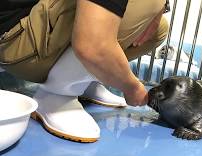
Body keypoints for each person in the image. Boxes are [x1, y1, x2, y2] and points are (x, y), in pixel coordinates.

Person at [0, 0, 169, 142]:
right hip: (12, 41)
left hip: (29, 24)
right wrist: (132, 87)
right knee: (148, 3)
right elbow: (93, 46)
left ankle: (85, 79)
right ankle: (58, 93)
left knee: (158, 26)